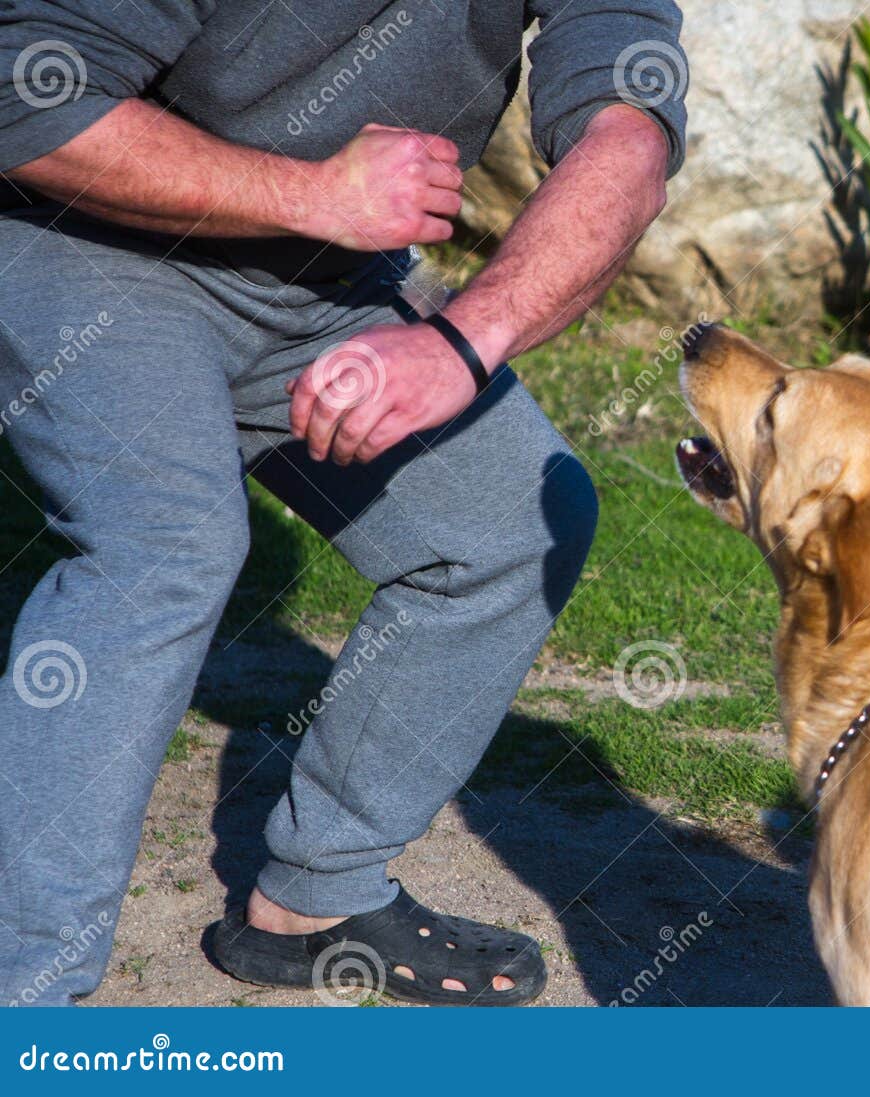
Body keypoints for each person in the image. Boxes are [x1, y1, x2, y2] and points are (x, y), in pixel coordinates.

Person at [0, 1, 687, 1007]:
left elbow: (626, 136)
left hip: (319, 280)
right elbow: (24, 93)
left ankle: (316, 901)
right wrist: (310, 192)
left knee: (509, 522)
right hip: (81, 247)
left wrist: (461, 344)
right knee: (168, 545)